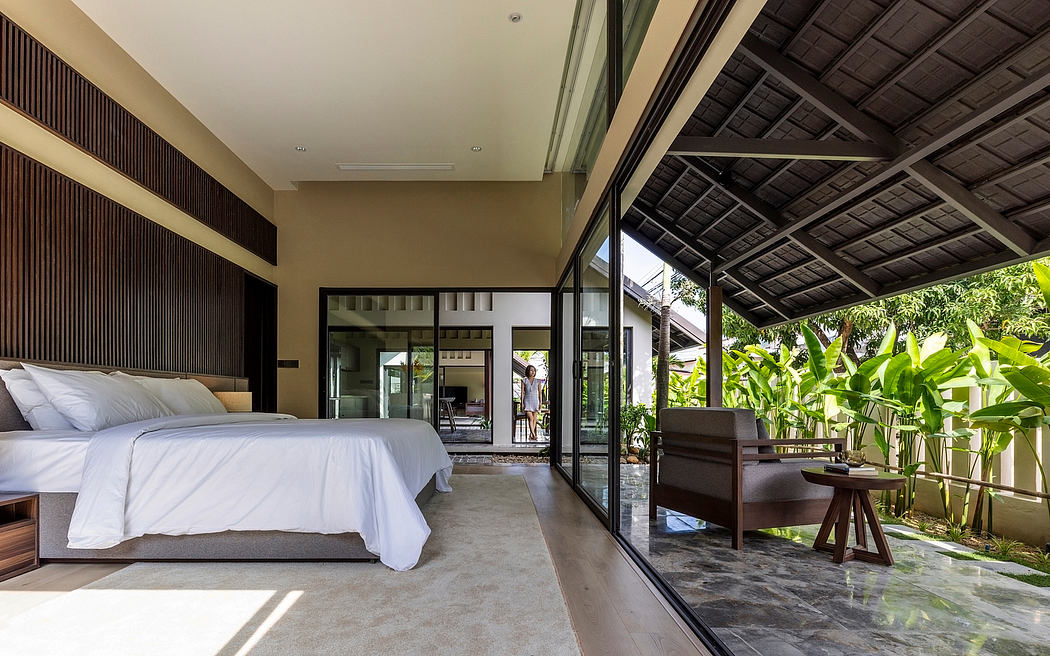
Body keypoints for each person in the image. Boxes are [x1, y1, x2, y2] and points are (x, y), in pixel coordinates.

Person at [520, 365, 544, 441]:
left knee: (534, 419)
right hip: (527, 400)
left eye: (534, 370)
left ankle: (531, 435)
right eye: (531, 370)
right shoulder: (524, 380)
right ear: (528, 371)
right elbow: (522, 393)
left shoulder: (538, 381)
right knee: (530, 418)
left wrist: (540, 403)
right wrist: (522, 403)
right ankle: (534, 435)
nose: (533, 372)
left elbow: (540, 393)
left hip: (535, 400)